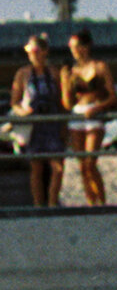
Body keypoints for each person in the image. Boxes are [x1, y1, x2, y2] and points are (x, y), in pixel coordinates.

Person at [10, 32, 67, 207]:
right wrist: (22, 112)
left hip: (52, 123)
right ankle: (38, 204)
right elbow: (15, 102)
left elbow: (62, 102)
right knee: (36, 168)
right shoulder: (23, 74)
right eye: (30, 51)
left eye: (35, 51)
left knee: (57, 167)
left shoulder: (54, 73)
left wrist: (64, 126)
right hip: (34, 125)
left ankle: (51, 203)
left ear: (44, 51)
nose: (32, 55)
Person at [64, 28, 117, 207]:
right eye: (72, 47)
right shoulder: (71, 70)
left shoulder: (100, 66)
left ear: (87, 46)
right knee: (81, 166)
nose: (75, 50)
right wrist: (65, 81)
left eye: (78, 46)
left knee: (90, 162)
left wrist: (98, 107)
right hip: (77, 114)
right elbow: (67, 102)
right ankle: (90, 202)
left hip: (94, 113)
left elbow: (113, 96)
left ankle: (102, 202)